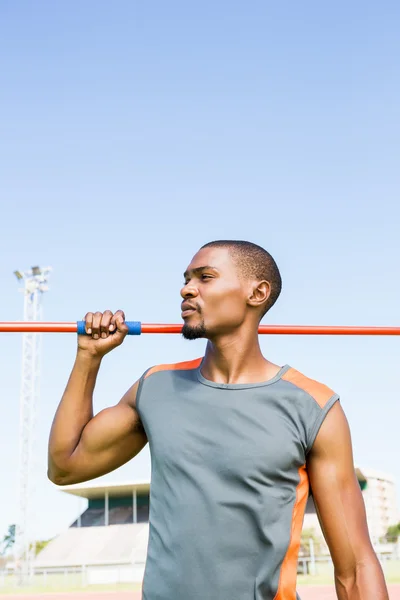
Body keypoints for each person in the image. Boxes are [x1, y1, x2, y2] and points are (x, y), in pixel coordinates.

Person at [48, 240, 389, 600]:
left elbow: (355, 568)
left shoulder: (313, 405)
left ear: (257, 293)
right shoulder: (155, 388)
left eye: (205, 277)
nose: (186, 288)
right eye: (186, 279)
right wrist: (88, 358)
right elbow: (65, 466)